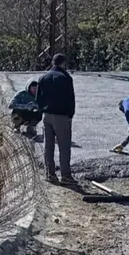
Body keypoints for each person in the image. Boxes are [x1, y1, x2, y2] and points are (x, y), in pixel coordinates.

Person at [36, 54, 76, 185]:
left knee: (49, 146)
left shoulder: (43, 78)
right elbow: (71, 99)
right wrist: (70, 115)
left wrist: (43, 110)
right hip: (62, 116)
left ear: (53, 63)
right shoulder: (66, 78)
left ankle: (50, 174)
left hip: (47, 115)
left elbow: (38, 98)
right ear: (63, 64)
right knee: (64, 147)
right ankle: (65, 175)